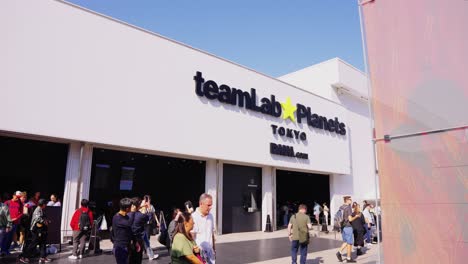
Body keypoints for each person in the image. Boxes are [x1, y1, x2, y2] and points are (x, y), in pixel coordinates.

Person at [19, 198, 52, 263]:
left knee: (43, 243)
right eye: (45, 204)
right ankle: (24, 257)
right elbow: (38, 218)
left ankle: (43, 257)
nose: (46, 205)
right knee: (33, 243)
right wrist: (45, 221)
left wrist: (46, 221)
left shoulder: (41, 209)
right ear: (43, 204)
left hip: (41, 230)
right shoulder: (38, 209)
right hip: (36, 230)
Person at [191, 193, 216, 264]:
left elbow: (212, 234)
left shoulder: (210, 216)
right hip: (199, 256)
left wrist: (214, 250)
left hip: (210, 255)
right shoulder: (194, 217)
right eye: (208, 205)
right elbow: (191, 237)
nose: (211, 207)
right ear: (201, 204)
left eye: (211, 205)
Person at [111, 198, 136, 264]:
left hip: (126, 245)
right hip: (120, 247)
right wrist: (133, 212)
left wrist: (134, 241)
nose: (133, 208)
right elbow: (129, 224)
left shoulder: (125, 216)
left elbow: (129, 230)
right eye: (131, 206)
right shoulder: (117, 217)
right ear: (127, 208)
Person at [336, 196, 360, 263]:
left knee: (346, 241)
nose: (351, 200)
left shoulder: (341, 207)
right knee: (349, 243)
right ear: (347, 200)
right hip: (348, 226)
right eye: (350, 199)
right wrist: (356, 216)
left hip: (343, 227)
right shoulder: (348, 207)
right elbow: (350, 219)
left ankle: (339, 252)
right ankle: (348, 258)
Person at [140, 195, 159, 260]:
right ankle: (146, 252)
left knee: (147, 238)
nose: (148, 201)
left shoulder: (151, 206)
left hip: (148, 224)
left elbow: (154, 214)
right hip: (143, 224)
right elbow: (142, 213)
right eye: (146, 200)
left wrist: (157, 222)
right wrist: (144, 206)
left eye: (149, 199)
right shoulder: (142, 207)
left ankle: (147, 252)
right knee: (144, 239)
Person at [129, 197, 146, 264]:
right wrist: (144, 209)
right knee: (137, 259)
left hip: (128, 240)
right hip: (138, 239)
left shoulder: (127, 215)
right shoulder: (141, 215)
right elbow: (147, 217)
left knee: (130, 259)